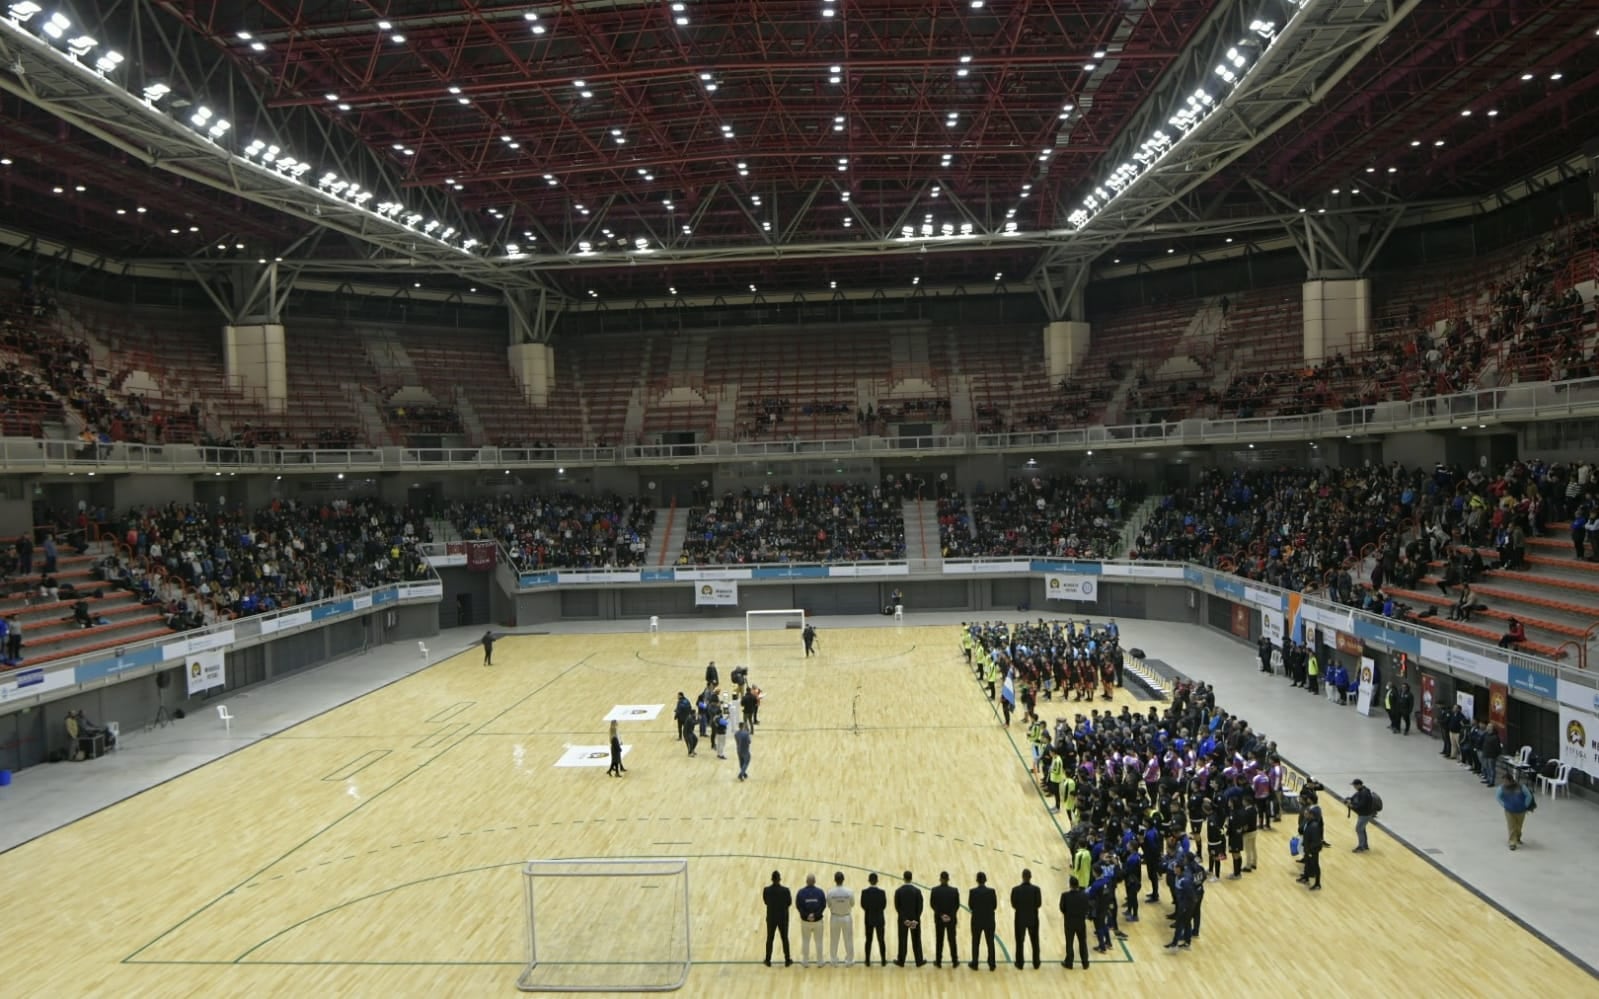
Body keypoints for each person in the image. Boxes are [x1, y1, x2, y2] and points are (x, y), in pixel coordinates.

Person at [1009, 868, 1042, 970]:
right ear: (1030, 877)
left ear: (1022, 877)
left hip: (1020, 919)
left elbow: (1014, 904)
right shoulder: (1036, 890)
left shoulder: (1015, 890)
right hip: (1033, 918)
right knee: (1035, 942)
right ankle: (1036, 963)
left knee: (1019, 942)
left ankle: (1020, 963)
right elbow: (1038, 904)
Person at [893, 870, 925, 967]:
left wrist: (904, 919)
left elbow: (897, 906)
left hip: (903, 920)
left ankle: (901, 961)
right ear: (911, 878)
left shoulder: (898, 891)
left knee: (902, 940)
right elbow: (920, 906)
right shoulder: (917, 891)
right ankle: (919, 961)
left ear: (904, 878)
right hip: (915, 919)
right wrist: (916, 919)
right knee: (916, 940)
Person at [1496, 772, 1536, 850]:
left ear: (1510, 780)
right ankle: (1512, 842)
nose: (1504, 783)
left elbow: (1529, 796)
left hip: (1521, 810)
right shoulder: (1502, 788)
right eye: (1503, 781)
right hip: (1509, 810)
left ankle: (1517, 838)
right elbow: (1498, 797)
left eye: (1506, 781)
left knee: (1518, 826)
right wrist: (1504, 805)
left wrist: (1525, 805)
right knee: (1511, 826)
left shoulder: (1521, 786)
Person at [966, 871, 997, 971]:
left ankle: (975, 963)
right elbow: (994, 906)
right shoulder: (992, 891)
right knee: (990, 942)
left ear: (977, 880)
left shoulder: (973, 892)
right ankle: (992, 964)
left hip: (977, 920)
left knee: (976, 942)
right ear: (985, 880)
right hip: (989, 920)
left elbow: (970, 906)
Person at [762, 871, 793, 967]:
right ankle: (787, 960)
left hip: (771, 918)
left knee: (770, 939)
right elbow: (789, 903)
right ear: (779, 879)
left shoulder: (766, 890)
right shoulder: (786, 890)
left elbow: (766, 901)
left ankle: (768, 960)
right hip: (783, 918)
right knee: (784, 939)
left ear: (772, 879)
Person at [929, 870, 959, 968]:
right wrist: (949, 915)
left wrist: (942, 915)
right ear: (948, 879)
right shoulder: (954, 891)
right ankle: (955, 961)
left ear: (940, 879)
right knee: (952, 940)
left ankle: (938, 962)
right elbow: (956, 905)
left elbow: (933, 904)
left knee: (939, 940)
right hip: (951, 919)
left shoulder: (934, 890)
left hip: (939, 919)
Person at [795, 874, 827, 966]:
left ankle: (805, 962)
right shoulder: (820, 892)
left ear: (806, 881)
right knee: (819, 941)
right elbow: (823, 905)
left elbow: (799, 906)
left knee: (805, 941)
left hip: (805, 921)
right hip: (818, 921)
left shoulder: (800, 893)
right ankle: (820, 962)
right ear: (815, 881)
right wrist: (815, 915)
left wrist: (807, 916)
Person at [1059, 876, 1090, 969]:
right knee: (1082, 942)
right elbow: (1087, 908)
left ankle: (1069, 962)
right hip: (1081, 922)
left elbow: (1062, 908)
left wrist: (1067, 914)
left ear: (1070, 885)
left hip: (1069, 922)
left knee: (1069, 943)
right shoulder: (1084, 895)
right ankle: (1085, 963)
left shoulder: (1065, 895)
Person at [825, 872, 855, 966]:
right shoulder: (849, 892)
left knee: (834, 940)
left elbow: (829, 905)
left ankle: (834, 961)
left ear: (835, 880)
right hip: (846, 917)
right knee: (848, 940)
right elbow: (852, 904)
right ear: (843, 880)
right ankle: (849, 961)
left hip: (834, 917)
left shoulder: (830, 892)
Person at [860, 873, 888, 967]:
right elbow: (884, 905)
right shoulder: (882, 892)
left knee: (868, 940)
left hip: (868, 919)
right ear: (877, 881)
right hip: (879, 919)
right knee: (881, 940)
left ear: (869, 881)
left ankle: (867, 961)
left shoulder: (864, 892)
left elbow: (863, 905)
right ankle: (883, 960)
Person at [1298, 804, 1325, 890]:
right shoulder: (1308, 822)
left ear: (1312, 815)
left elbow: (1315, 840)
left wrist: (1310, 851)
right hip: (1308, 848)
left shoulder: (1314, 826)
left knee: (1315, 866)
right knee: (1307, 863)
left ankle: (1317, 884)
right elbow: (1302, 830)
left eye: (1308, 812)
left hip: (1312, 850)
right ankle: (1306, 877)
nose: (1306, 813)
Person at [1347, 779, 1375, 851]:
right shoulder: (1363, 791)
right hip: (1365, 813)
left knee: (1359, 829)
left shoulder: (1364, 793)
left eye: (1355, 785)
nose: (1354, 787)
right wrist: (1350, 799)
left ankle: (1361, 846)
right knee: (1362, 829)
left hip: (1365, 814)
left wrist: (1352, 806)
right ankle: (1365, 845)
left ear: (1359, 785)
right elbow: (1354, 797)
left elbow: (1361, 805)